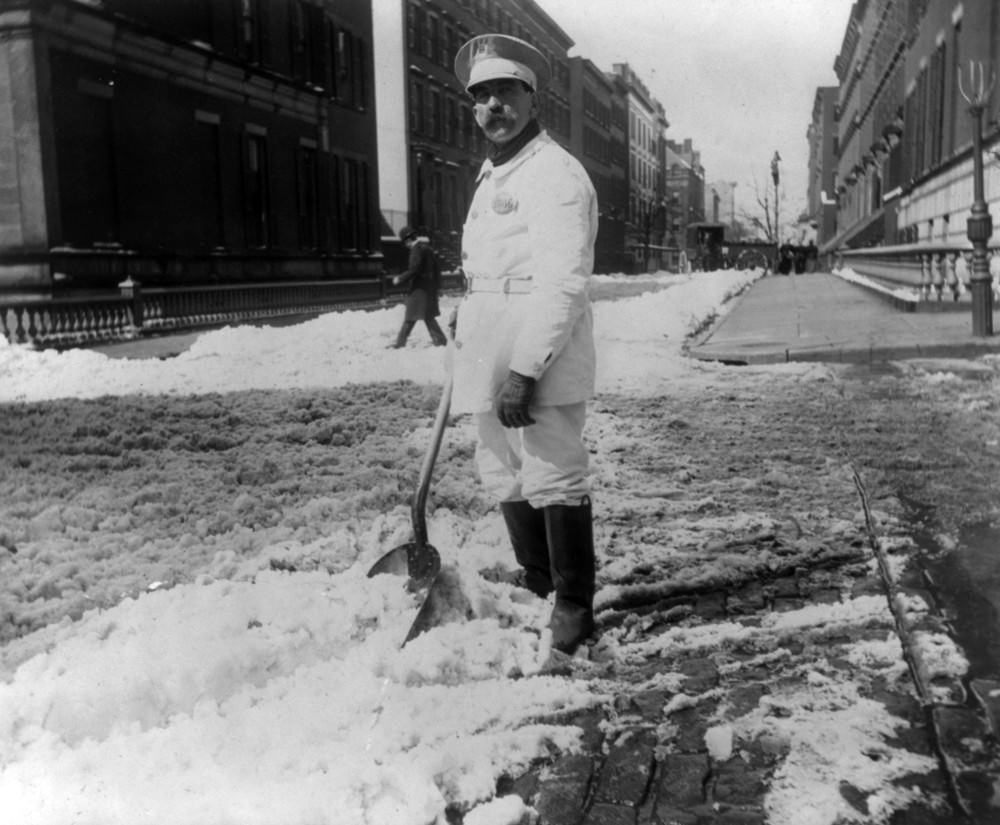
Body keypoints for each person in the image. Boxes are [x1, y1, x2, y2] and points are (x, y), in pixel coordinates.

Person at [451, 33, 598, 654]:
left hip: (539, 344)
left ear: (532, 99)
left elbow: (563, 281)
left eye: (506, 92)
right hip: (487, 339)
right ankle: (537, 578)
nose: (494, 106)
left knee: (552, 467)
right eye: (482, 96)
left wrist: (526, 369)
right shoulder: (493, 172)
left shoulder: (555, 173)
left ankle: (573, 604)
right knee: (500, 466)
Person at [389, 226, 448, 348]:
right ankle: (441, 341)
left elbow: (414, 270)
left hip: (418, 290)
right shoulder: (427, 248)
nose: (406, 245)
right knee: (428, 316)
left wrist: (400, 278)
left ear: (408, 240)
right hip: (429, 289)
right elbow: (437, 268)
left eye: (405, 242)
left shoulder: (416, 250)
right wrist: (438, 286)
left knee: (410, 316)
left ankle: (400, 344)